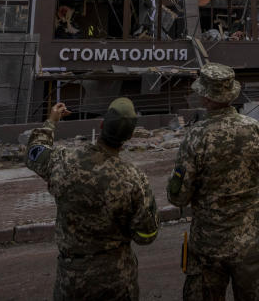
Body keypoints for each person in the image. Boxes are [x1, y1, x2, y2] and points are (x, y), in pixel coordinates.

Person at [167, 63, 259, 301]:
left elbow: (178, 196)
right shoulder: (257, 130)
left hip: (208, 246)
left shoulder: (195, 138)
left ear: (205, 98)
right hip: (250, 242)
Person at [25, 98, 159, 301]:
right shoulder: (133, 179)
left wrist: (51, 121)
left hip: (72, 277)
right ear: (130, 136)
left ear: (102, 125)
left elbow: (34, 153)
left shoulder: (64, 161)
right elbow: (146, 235)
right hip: (117, 277)